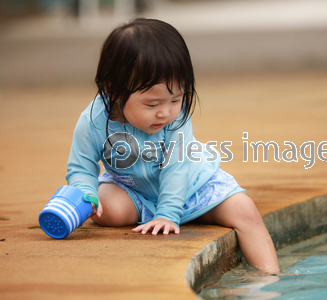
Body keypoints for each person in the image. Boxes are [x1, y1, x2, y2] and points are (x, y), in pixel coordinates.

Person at [66, 18, 279, 274]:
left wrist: (168, 214)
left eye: (176, 99)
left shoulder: (176, 119)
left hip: (192, 185)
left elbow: (177, 168)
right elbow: (81, 167)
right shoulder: (93, 121)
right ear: (113, 91)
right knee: (104, 209)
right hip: (135, 191)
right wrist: (84, 192)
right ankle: (143, 208)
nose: (165, 113)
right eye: (152, 104)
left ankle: (269, 280)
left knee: (245, 210)